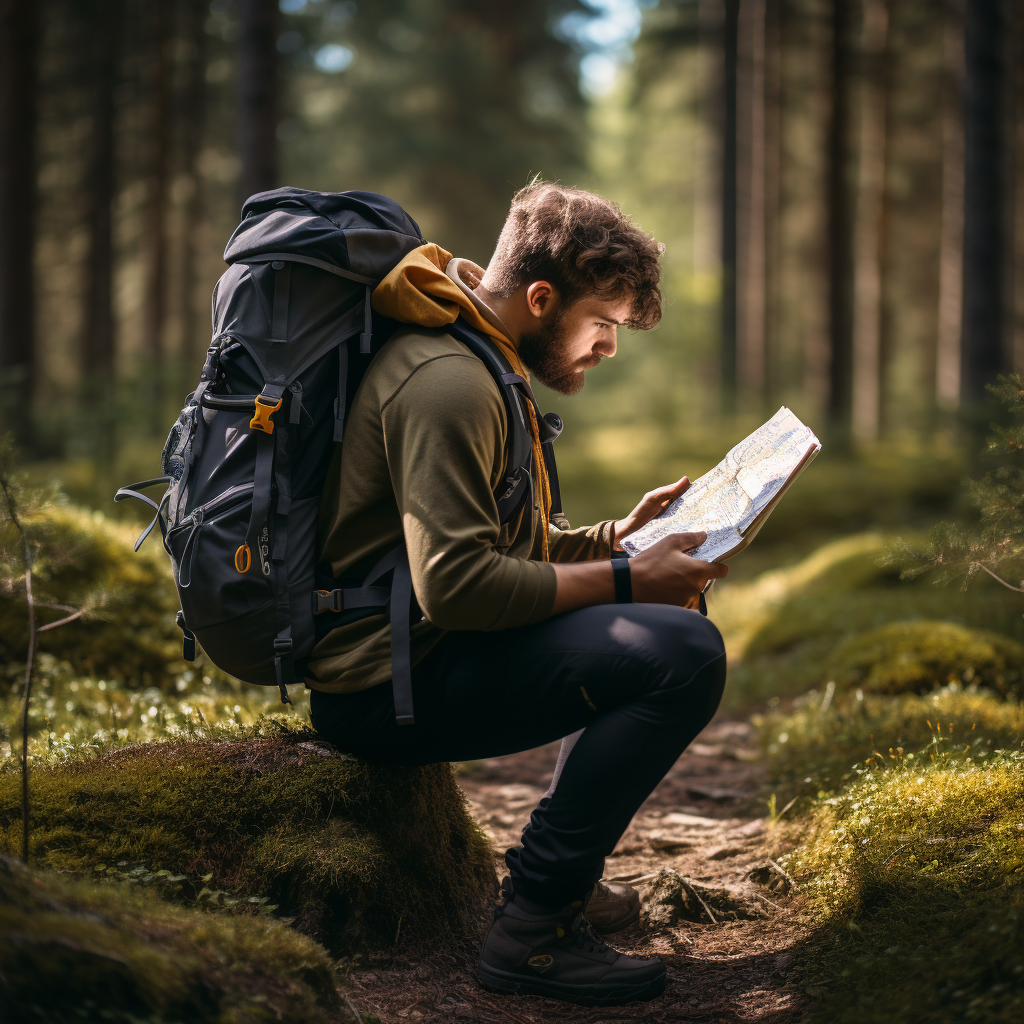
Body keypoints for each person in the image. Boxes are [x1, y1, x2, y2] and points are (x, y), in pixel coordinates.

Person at [305, 181, 728, 1007]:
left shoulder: (478, 358)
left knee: (663, 618)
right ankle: (536, 923)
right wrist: (624, 577)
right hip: (382, 686)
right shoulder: (447, 382)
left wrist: (614, 541)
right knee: (680, 657)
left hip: (419, 650)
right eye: (602, 324)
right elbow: (457, 588)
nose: (608, 347)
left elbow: (503, 549)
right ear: (541, 299)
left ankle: (564, 879)